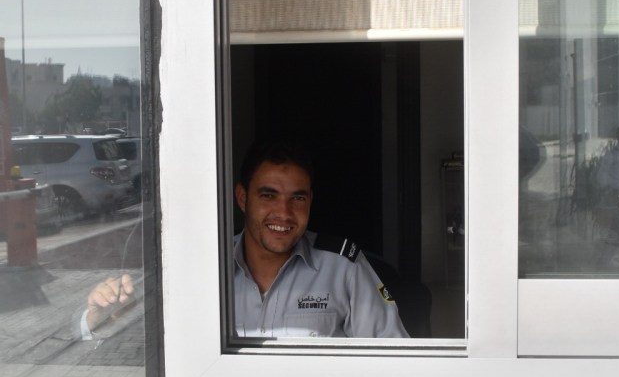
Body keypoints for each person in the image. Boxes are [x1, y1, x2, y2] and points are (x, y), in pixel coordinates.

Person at [82, 140, 409, 340]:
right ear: (243, 198)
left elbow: (394, 359)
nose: (284, 213)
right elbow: (143, 346)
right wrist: (97, 318)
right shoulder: (203, 269)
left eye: (297, 198)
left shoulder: (343, 266)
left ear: (310, 201)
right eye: (268, 195)